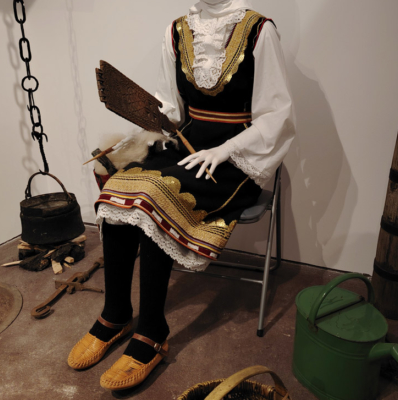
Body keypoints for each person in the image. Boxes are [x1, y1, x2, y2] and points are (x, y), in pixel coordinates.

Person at [68, 0, 294, 391]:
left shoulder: (259, 30)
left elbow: (277, 114)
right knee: (120, 185)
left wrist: (226, 150)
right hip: (187, 144)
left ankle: (152, 332)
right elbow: (170, 106)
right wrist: (143, 123)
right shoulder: (177, 30)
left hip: (236, 157)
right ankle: (115, 313)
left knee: (155, 197)